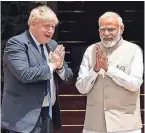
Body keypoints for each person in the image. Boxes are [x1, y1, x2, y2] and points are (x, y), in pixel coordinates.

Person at [1, 5, 73, 133]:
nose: (51, 31)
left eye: (53, 27)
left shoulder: (52, 45)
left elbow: (68, 77)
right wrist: (52, 66)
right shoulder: (16, 44)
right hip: (23, 118)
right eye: (47, 26)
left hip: (48, 114)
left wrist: (60, 67)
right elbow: (25, 74)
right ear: (33, 24)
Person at [76, 11, 143, 133]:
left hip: (126, 125)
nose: (106, 33)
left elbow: (135, 84)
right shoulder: (91, 50)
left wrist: (109, 70)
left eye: (111, 29)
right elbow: (81, 88)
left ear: (121, 29)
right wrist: (95, 70)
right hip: (94, 124)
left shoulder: (134, 51)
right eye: (102, 29)